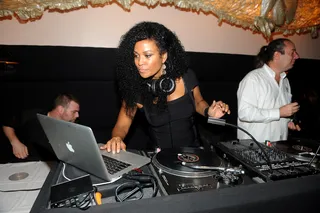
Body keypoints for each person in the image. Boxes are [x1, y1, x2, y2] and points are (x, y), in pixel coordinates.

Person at [100, 21, 230, 154]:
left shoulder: (186, 77)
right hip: (159, 158)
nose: (139, 62)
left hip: (194, 155)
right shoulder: (135, 89)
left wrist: (209, 111)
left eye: (148, 55)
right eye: (136, 56)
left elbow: (198, 102)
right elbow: (122, 125)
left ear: (164, 56)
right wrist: (116, 138)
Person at [237, 38, 301, 143]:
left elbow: (278, 110)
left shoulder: (285, 81)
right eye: (292, 53)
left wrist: (288, 121)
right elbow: (245, 113)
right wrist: (279, 113)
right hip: (255, 148)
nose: (297, 56)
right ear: (276, 56)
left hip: (280, 146)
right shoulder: (253, 79)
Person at [2, 93, 80, 161]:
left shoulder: (72, 124)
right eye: (74, 112)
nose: (77, 115)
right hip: (31, 162)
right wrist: (15, 142)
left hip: (55, 164)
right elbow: (7, 124)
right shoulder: (33, 115)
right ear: (60, 110)